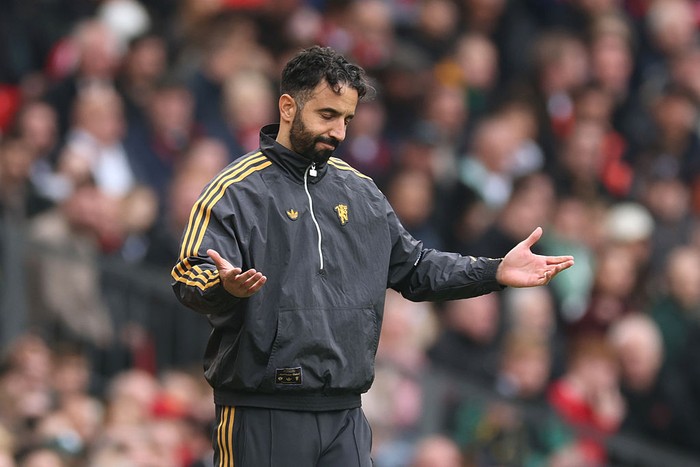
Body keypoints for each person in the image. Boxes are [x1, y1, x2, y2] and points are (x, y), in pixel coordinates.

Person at [170, 45, 574, 467]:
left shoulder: (362, 192)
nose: (339, 133)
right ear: (288, 107)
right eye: (327, 115)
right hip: (261, 408)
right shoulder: (235, 188)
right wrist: (223, 285)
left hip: (345, 412)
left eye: (346, 119)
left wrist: (495, 271)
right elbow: (187, 275)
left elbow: (416, 269)